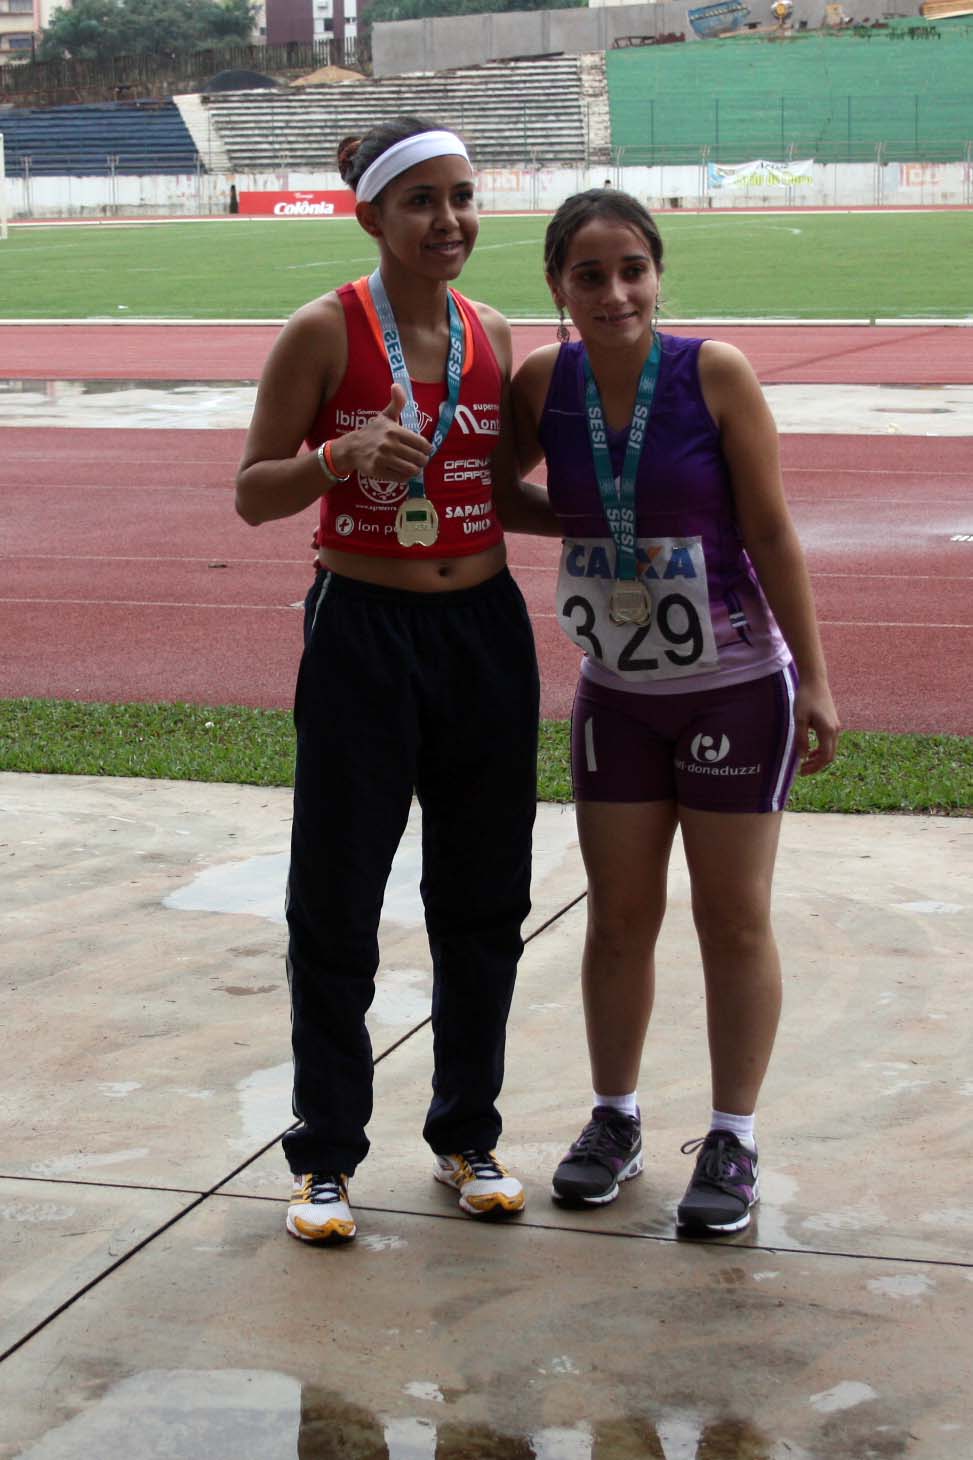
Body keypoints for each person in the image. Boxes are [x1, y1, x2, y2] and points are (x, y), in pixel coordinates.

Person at [235, 116, 555, 1245]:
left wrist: (625, 515)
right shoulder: (323, 331)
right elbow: (253, 492)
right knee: (337, 898)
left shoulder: (492, 332)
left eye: (462, 196)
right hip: (363, 631)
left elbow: (504, 493)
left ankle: (467, 1134)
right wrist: (338, 456)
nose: (448, 220)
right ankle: (324, 1154)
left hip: (484, 631)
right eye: (421, 201)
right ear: (370, 215)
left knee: (484, 896)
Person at [511, 189, 839, 1236]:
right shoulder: (542, 382)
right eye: (589, 274)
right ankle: (614, 1119)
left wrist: (816, 677)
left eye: (633, 269)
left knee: (730, 917)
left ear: (657, 275)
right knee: (617, 916)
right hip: (616, 691)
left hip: (736, 684)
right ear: (557, 286)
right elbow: (493, 486)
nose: (614, 292)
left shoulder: (713, 373)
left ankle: (732, 1137)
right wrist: (587, 521)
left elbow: (770, 529)